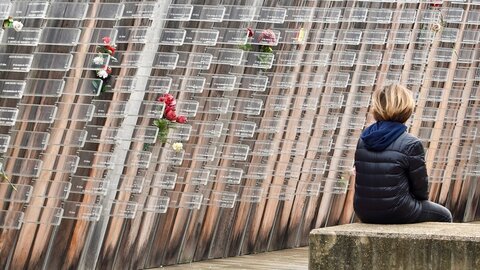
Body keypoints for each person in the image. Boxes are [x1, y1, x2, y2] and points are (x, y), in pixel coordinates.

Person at [353, 84, 452, 224]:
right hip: (398, 210)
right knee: (445, 215)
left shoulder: (363, 139)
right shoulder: (411, 143)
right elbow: (420, 190)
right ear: (406, 109)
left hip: (363, 211)